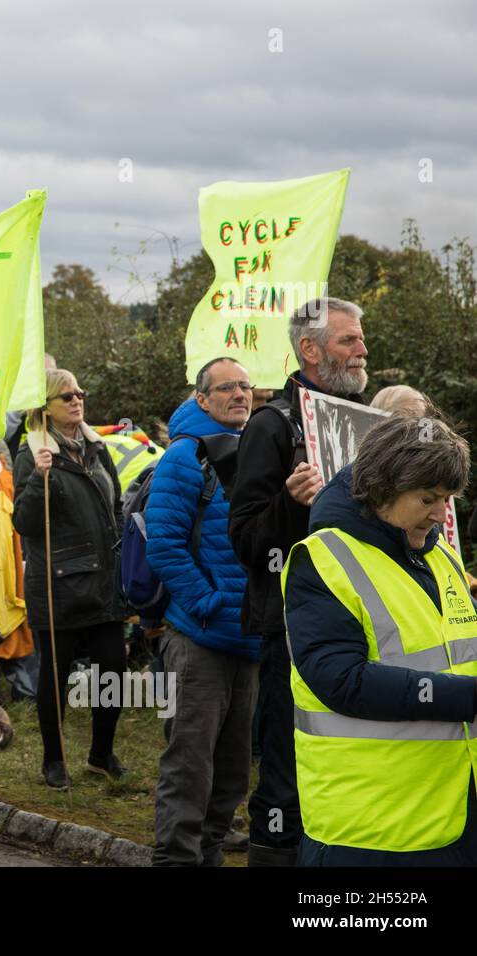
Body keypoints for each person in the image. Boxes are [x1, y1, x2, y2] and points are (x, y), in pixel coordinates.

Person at [283, 414, 477, 865]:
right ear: (382, 489)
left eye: (447, 499)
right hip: (369, 830)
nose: (439, 514)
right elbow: (341, 681)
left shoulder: (440, 554)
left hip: (452, 814)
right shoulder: (323, 558)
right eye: (427, 499)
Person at [228, 297, 368, 866]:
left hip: (362, 618)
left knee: (347, 762)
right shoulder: (272, 425)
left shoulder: (367, 424)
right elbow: (244, 539)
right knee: (287, 768)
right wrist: (290, 504)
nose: (362, 350)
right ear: (310, 351)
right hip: (291, 625)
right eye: (348, 341)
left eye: (360, 339)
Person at [146, 358, 260, 866]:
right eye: (227, 387)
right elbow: (165, 546)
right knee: (190, 764)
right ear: (202, 398)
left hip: (249, 639)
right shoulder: (184, 457)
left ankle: (207, 854)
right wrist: (209, 605)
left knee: (234, 769)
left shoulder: (255, 453)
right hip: (199, 639)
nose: (239, 394)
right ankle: (175, 860)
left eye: (245, 385)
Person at [13, 368, 128, 790]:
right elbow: (24, 523)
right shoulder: (32, 453)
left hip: (104, 581)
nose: (77, 400)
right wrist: (39, 478)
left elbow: (114, 505)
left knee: (112, 671)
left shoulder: (97, 447)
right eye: (66, 396)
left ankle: (101, 755)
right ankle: (54, 759)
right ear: (45, 406)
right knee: (54, 677)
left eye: (80, 392)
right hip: (57, 583)